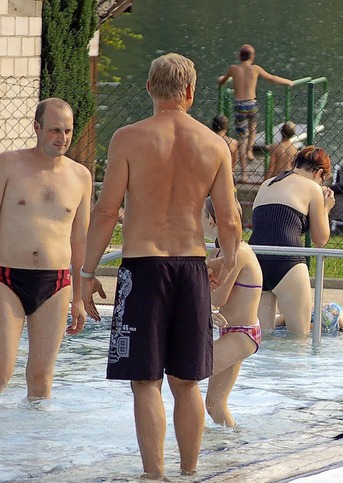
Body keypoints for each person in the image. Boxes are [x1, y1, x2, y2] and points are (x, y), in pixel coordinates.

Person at [81, 53, 242, 479]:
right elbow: (229, 219)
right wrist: (225, 259)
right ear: (191, 92)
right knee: (187, 382)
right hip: (190, 268)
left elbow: (105, 212)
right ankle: (189, 472)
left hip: (143, 267)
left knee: (146, 381)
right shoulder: (214, 144)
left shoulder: (128, 139)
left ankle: (155, 476)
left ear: (150, 88)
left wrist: (85, 273)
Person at [0, 98, 92, 399]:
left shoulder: (80, 176)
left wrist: (78, 298)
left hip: (55, 283)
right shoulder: (8, 165)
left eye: (67, 130)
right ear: (37, 128)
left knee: (41, 380)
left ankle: (35, 444)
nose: (62, 138)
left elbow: (81, 240)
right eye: (54, 130)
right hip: (7, 278)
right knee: (2, 370)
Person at [249, 146, 335, 336]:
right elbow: (321, 239)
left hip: (256, 261)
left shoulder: (267, 183)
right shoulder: (312, 187)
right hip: (287, 261)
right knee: (299, 338)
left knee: (261, 339)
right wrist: (326, 208)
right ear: (318, 173)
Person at [202, 197, 262, 427]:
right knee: (214, 405)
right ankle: (233, 449)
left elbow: (217, 298)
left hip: (242, 334)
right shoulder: (218, 252)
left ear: (210, 220)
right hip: (232, 333)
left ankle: (189, 444)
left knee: (184, 377)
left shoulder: (237, 252)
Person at [218, 43, 294, 182]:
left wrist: (220, 79)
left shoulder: (233, 69)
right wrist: (288, 82)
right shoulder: (256, 69)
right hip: (252, 104)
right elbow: (272, 79)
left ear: (239, 56)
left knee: (242, 137)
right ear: (252, 57)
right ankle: (250, 152)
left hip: (239, 105)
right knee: (253, 128)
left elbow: (222, 81)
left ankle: (243, 173)